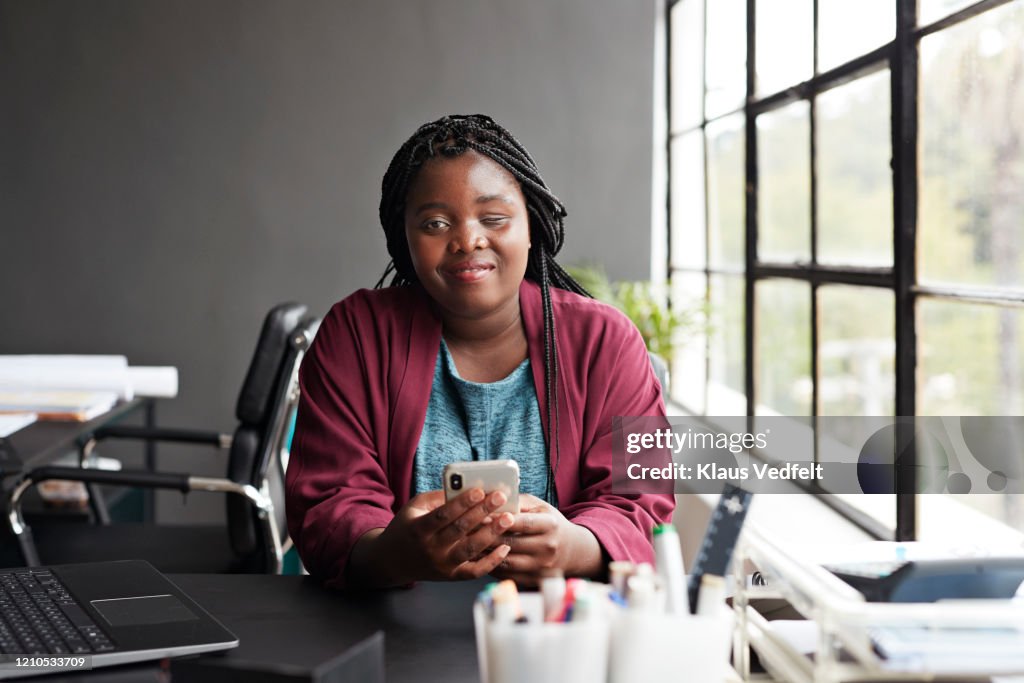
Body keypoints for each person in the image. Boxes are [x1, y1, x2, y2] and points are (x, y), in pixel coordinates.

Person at [286, 114, 673, 589]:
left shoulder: (607, 342)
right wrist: (390, 552)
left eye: (493, 218)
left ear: (531, 227)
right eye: (435, 223)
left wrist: (574, 547)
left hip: (561, 633)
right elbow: (328, 501)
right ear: (403, 238)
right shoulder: (356, 334)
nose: (467, 239)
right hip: (394, 635)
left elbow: (638, 501)